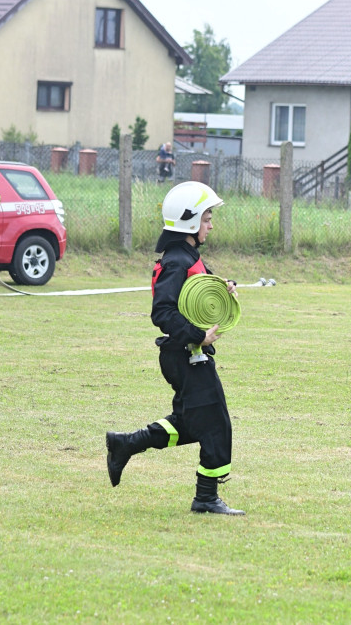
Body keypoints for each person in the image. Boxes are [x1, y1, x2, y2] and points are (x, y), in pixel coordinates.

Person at [106, 181, 244, 515]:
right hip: (184, 355)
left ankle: (126, 444)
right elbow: (163, 312)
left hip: (188, 355)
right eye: (207, 218)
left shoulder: (188, 256)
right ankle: (206, 498)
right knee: (215, 424)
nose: (211, 225)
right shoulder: (175, 262)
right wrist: (199, 335)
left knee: (190, 422)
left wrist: (222, 288)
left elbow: (196, 291)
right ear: (190, 221)